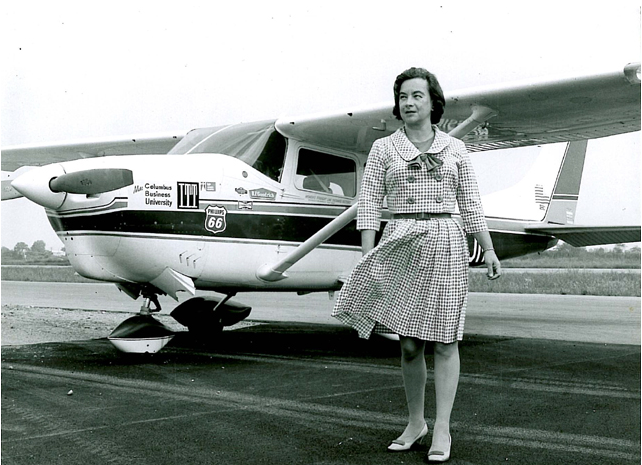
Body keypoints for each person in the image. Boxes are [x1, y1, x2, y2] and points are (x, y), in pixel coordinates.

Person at [332, 67, 501, 463]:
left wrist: (488, 248)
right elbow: (370, 203)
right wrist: (368, 254)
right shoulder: (383, 150)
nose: (409, 103)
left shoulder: (456, 149)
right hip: (402, 243)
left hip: (447, 241)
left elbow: (472, 203)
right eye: (403, 96)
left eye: (417, 96)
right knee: (409, 343)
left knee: (445, 339)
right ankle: (415, 422)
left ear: (432, 102)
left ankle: (441, 426)